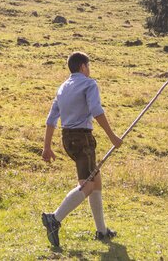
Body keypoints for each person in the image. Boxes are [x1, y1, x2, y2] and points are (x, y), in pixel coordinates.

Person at [41, 52, 123, 249]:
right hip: (83, 138)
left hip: (67, 138)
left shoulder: (62, 88)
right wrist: (113, 136)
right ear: (83, 67)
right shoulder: (89, 84)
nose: (90, 69)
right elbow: (96, 110)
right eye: (89, 65)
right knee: (87, 185)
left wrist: (47, 147)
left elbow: (52, 119)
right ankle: (55, 218)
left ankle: (102, 231)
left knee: (96, 181)